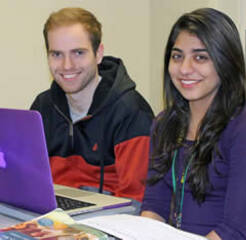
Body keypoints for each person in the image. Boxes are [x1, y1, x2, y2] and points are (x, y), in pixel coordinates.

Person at [140, 8, 246, 240]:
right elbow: (155, 206)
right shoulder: (164, 123)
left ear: (226, 62)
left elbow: (233, 231)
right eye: (177, 56)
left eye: (200, 57)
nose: (184, 69)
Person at [30, 7, 154, 204]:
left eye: (78, 53)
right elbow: (28, 182)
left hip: (108, 223)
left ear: (98, 54)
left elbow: (136, 202)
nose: (67, 65)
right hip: (52, 215)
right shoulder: (42, 107)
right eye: (56, 54)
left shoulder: (132, 112)